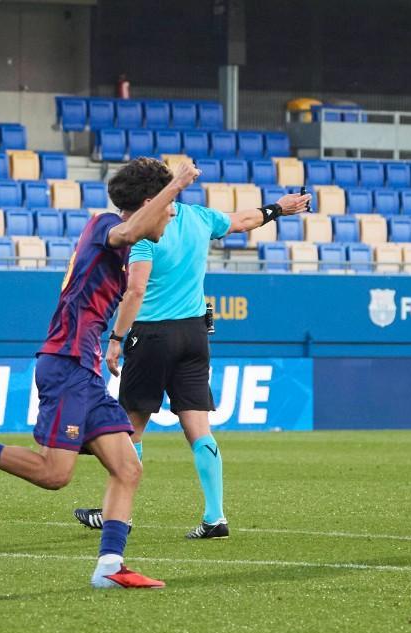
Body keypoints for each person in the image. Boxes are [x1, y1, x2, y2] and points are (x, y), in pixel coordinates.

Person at [0, 158, 201, 589]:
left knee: (127, 468)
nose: (172, 215)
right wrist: (177, 184)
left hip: (86, 368)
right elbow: (130, 230)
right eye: (168, 206)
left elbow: (135, 245)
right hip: (66, 364)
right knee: (54, 474)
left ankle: (109, 568)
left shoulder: (124, 250)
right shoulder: (104, 226)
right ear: (149, 202)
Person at [72, 167, 311, 539]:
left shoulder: (147, 233)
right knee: (199, 428)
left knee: (130, 427)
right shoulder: (198, 216)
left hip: (151, 335)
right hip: (195, 334)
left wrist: (116, 338)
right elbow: (242, 220)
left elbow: (135, 291)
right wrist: (277, 208)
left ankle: (120, 514)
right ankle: (215, 517)